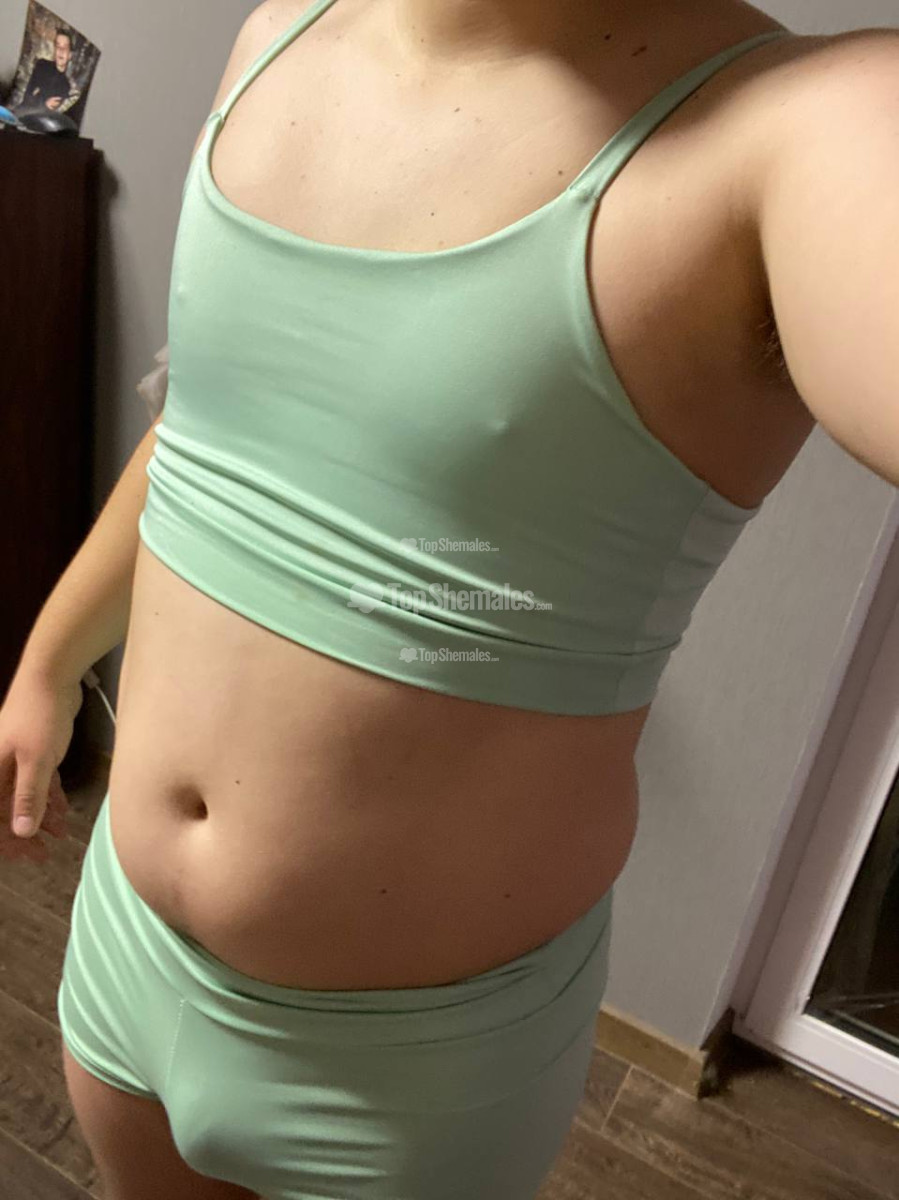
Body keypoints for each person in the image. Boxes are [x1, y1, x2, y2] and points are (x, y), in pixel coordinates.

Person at [1, 0, 896, 1197]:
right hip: (125, 943)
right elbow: (207, 431)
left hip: (409, 1079)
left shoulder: (800, 125)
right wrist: (50, 659)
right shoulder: (278, 34)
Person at [18, 27, 73, 113]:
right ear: (54, 50)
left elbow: (50, 109)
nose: (60, 51)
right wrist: (44, 103)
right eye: (58, 46)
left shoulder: (65, 86)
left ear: (70, 55)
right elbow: (28, 97)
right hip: (21, 111)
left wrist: (39, 99)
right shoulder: (42, 65)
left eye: (65, 47)